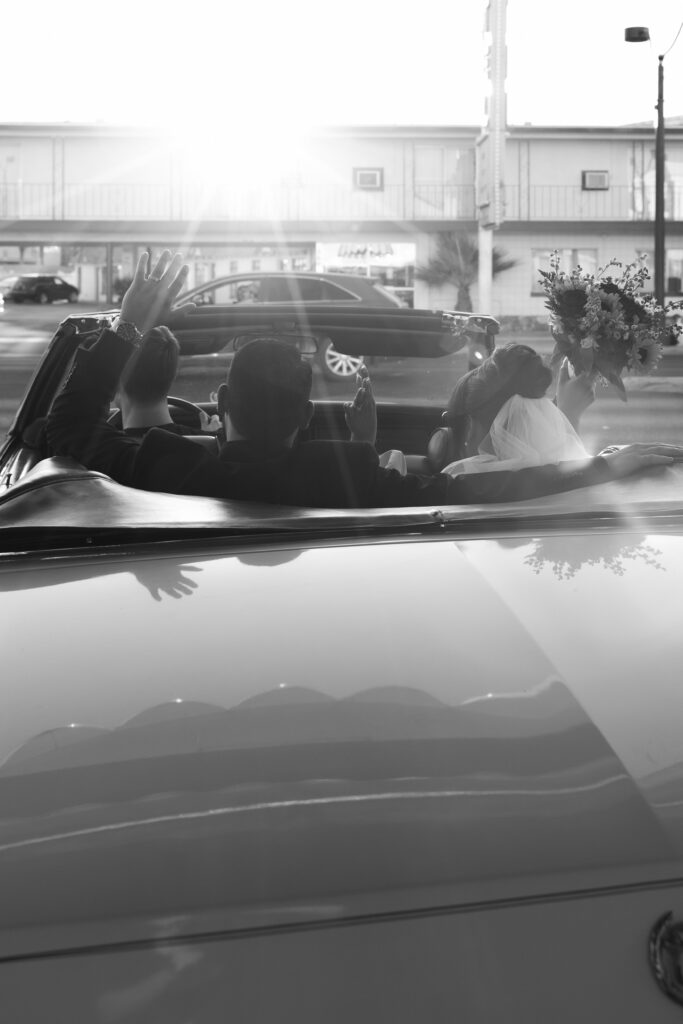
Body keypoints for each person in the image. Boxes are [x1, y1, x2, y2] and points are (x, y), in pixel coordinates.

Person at [46, 250, 678, 509]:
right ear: (302, 417)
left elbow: (67, 427)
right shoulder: (343, 470)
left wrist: (128, 327)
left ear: (222, 401)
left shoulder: (162, 463)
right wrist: (604, 466)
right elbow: (484, 489)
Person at [116, 326, 220, 438]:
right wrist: (210, 437)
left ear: (115, 382)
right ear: (172, 375)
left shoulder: (103, 448)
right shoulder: (205, 444)